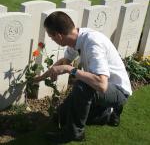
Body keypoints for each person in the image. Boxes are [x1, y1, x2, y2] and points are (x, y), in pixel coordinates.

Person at [34, 11, 132, 143]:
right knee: (61, 117)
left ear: (59, 35)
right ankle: (107, 115)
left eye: (52, 38)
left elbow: (102, 85)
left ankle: (74, 134)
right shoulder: (75, 37)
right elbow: (64, 63)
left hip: (118, 90)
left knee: (82, 85)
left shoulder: (93, 44)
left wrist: (69, 69)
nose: (52, 40)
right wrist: (38, 79)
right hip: (99, 88)